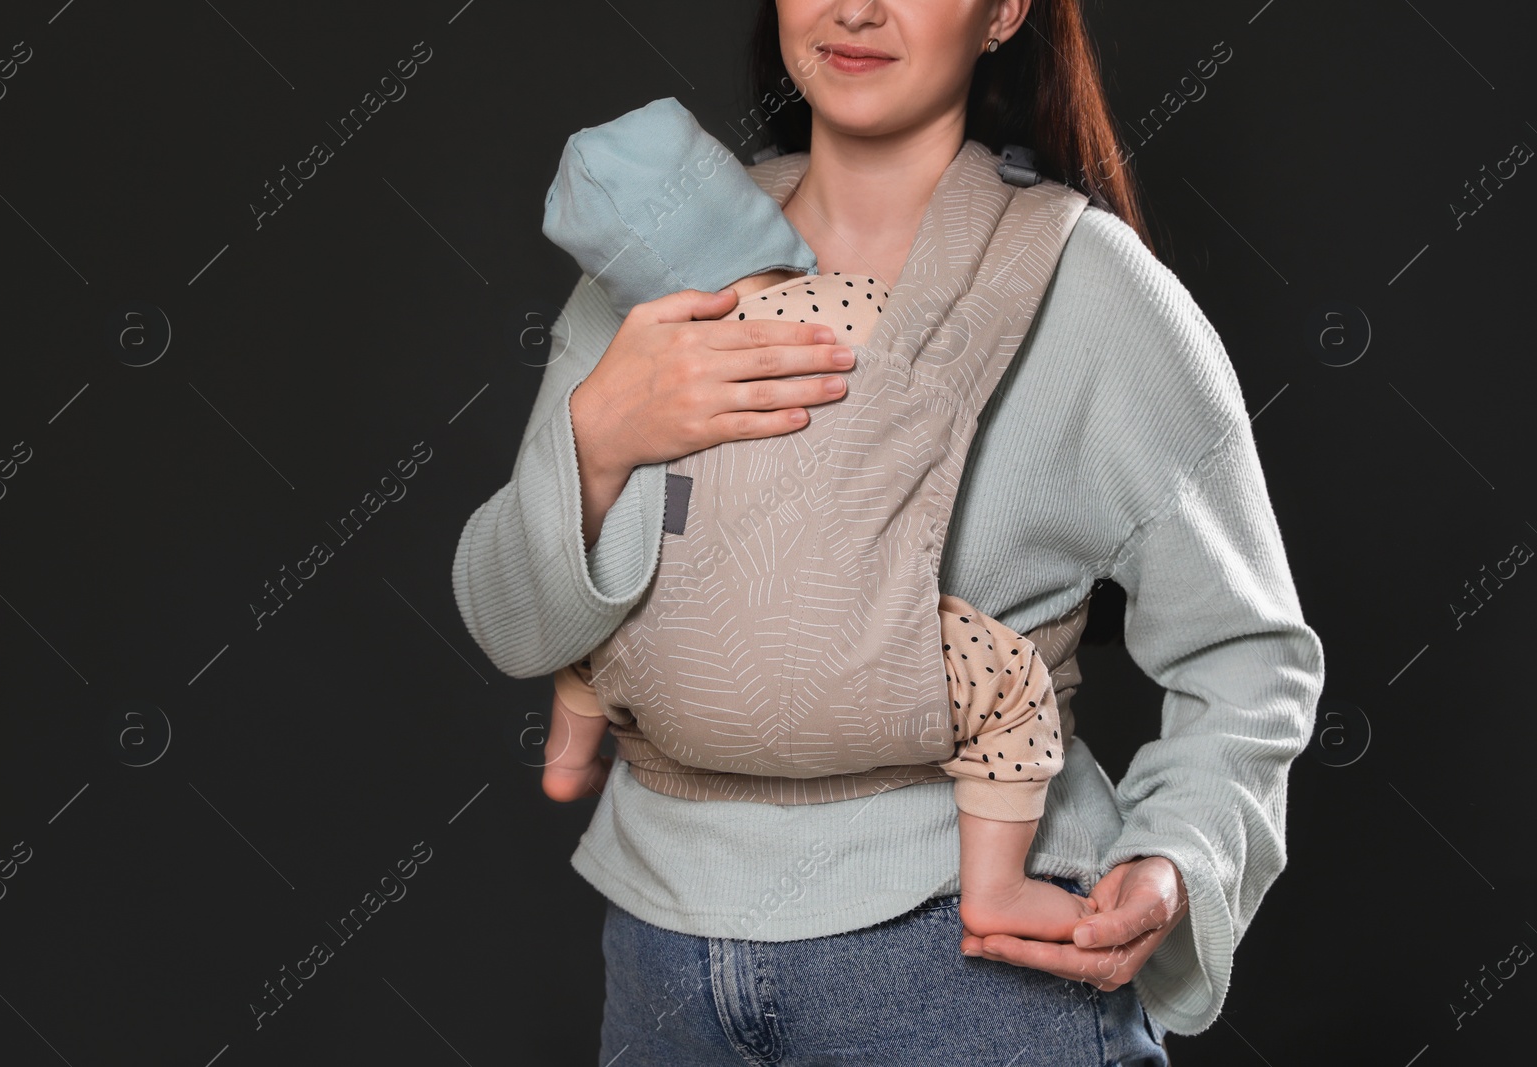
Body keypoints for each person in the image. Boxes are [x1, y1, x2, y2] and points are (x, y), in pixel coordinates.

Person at [450, 1, 1325, 1063]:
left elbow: (1248, 654)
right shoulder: (650, 259)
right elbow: (513, 624)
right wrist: (598, 438)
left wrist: (1177, 857)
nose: (855, 7)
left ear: (1004, 11)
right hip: (661, 962)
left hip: (963, 962)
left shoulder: (1084, 286)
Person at [534, 96, 1091, 943]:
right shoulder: (862, 301)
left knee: (598, 610)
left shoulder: (635, 367)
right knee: (1011, 689)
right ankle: (996, 887)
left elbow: (554, 566)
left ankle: (568, 759)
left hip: (666, 663)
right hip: (863, 642)